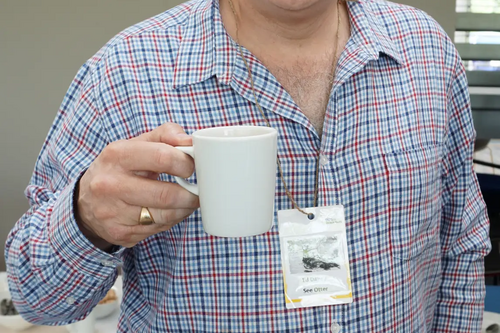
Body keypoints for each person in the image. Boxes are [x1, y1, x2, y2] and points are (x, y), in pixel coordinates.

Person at [5, 0, 491, 331]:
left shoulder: (427, 53)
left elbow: (463, 243)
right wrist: (88, 220)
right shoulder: (124, 72)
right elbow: (37, 298)